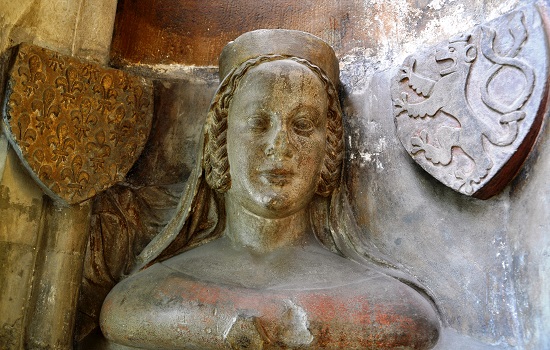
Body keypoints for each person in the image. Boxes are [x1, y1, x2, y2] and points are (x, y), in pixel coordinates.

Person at [100, 29, 440, 349]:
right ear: (220, 141)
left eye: (303, 125)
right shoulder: (148, 293)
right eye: (258, 123)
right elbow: (123, 313)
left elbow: (411, 323)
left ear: (329, 152)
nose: (280, 145)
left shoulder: (386, 300)